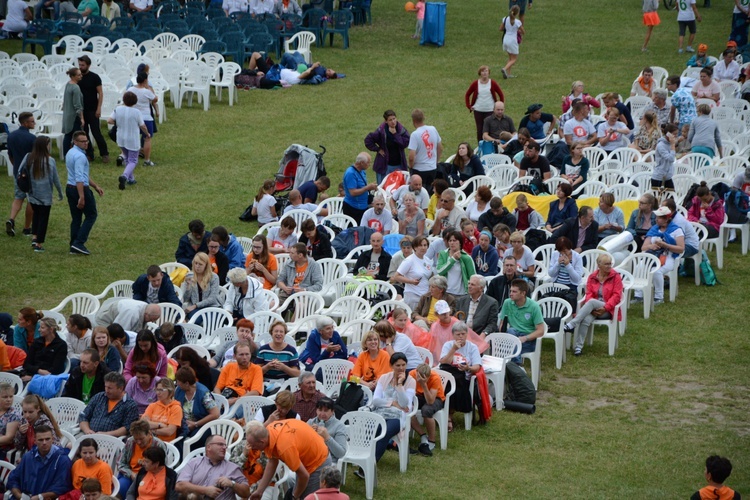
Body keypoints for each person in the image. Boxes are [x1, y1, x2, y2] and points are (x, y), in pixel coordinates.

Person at [245, 419, 330, 500]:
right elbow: (272, 462)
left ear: (262, 441)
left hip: (318, 461)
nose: (252, 448)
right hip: (306, 459)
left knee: (306, 497)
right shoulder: (269, 432)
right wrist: (259, 491)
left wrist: (294, 496)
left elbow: (304, 476)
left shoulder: (284, 448)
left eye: (253, 445)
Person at [564, 254, 623, 356]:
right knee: (586, 319)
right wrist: (591, 309)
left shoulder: (616, 277)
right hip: (592, 308)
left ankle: (572, 324)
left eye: (610, 264)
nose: (609, 266)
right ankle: (578, 348)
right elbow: (588, 294)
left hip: (608, 309)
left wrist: (605, 308)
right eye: (606, 264)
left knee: (591, 302)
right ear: (599, 265)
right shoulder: (592, 277)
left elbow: (617, 296)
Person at [633, 206, 685, 305]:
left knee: (656, 271)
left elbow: (681, 248)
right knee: (638, 267)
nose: (656, 219)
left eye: (659, 217)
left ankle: (659, 297)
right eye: (656, 217)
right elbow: (644, 247)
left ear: (666, 219)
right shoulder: (654, 229)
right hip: (653, 255)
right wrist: (651, 246)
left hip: (668, 257)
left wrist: (665, 245)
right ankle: (638, 295)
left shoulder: (676, 230)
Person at [370, 352, 416, 462]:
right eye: (398, 365)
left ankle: (371, 464)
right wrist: (393, 403)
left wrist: (399, 385)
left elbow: (405, 405)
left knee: (384, 432)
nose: (401, 368)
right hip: (381, 413)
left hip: (398, 416)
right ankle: (364, 458)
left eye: (403, 365)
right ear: (391, 366)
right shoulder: (384, 378)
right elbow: (375, 401)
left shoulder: (410, 381)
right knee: (373, 429)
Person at [7, 424, 72, 500]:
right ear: (34, 441)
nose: (44, 443)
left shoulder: (62, 460)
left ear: (53, 439)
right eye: (40, 440)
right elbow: (13, 479)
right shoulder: (28, 457)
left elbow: (62, 487)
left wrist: (40, 497)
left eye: (47, 439)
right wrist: (19, 496)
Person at [65, 131, 104, 256]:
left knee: (76, 217)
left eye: (86, 141)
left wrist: (95, 186)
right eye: (82, 141)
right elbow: (79, 178)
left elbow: (82, 175)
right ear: (75, 142)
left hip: (70, 188)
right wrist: (82, 196)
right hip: (79, 189)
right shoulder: (80, 157)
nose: (86, 143)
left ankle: (73, 244)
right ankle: (79, 243)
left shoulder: (70, 152)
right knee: (91, 215)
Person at [21, 136, 62, 252]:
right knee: (43, 218)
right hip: (46, 195)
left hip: (32, 193)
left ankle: (34, 237)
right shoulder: (50, 160)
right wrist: (60, 192)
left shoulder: (28, 157)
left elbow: (20, 171)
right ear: (45, 146)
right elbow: (56, 179)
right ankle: (38, 243)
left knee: (36, 215)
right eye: (48, 144)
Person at [176, 434, 250, 499]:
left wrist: (232, 484)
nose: (224, 447)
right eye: (220, 444)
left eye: (225, 445)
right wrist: (205, 490)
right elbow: (179, 486)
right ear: (209, 447)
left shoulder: (232, 468)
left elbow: (246, 493)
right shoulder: (194, 463)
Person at [438, 321, 481, 428]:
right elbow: (443, 362)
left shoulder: (472, 347)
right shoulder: (448, 345)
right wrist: (453, 349)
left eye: (463, 334)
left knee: (455, 388)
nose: (461, 336)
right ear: (453, 335)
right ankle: (447, 416)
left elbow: (477, 367)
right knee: (448, 385)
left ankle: (448, 417)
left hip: (464, 378)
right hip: (449, 377)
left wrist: (468, 368)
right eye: (458, 334)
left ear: (467, 334)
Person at [498, 279, 545, 363]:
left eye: (514, 292)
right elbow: (502, 323)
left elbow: (541, 331)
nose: (511, 294)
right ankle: (517, 366)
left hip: (528, 339)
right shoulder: (507, 303)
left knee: (510, 346)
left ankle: (515, 367)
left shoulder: (534, 306)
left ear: (523, 293)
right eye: (510, 291)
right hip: (512, 336)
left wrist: (525, 338)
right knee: (511, 332)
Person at [5, 112, 36, 238]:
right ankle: (27, 228)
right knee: (31, 200)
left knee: (18, 198)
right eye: (32, 121)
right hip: (30, 173)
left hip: (17, 171)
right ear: (25, 123)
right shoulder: (32, 138)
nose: (34, 123)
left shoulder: (11, 136)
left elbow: (10, 155)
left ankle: (11, 219)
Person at [110, 91, 148, 189]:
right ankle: (125, 176)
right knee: (133, 160)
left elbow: (109, 120)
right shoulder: (136, 112)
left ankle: (131, 179)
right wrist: (147, 134)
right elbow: (142, 125)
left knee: (127, 157)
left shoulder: (118, 109)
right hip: (132, 139)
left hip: (121, 138)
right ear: (135, 102)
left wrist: (118, 122)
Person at [117, 419, 167, 495]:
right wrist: (131, 474)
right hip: (130, 474)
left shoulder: (158, 444)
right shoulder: (130, 442)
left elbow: (163, 467)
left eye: (141, 439)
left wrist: (146, 476)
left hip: (150, 476)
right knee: (120, 487)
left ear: (149, 433)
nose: (138, 442)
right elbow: (121, 463)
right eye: (136, 439)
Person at [407, 363, 444, 457]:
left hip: (436, 398)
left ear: (429, 375)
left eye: (425, 378)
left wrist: (423, 384)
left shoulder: (435, 378)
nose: (422, 380)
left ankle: (431, 440)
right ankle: (423, 435)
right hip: (418, 396)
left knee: (426, 410)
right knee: (407, 409)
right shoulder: (412, 374)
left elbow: (430, 401)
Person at [76, 56, 108, 164]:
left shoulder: (95, 77)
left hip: (92, 110)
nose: (80, 67)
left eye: (83, 65)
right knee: (84, 133)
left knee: (96, 132)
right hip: (82, 110)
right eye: (79, 65)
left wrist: (98, 108)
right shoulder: (77, 78)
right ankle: (89, 153)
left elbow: (100, 93)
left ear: (88, 65)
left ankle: (104, 153)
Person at [364, 110, 410, 183]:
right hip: (385, 166)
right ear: (386, 121)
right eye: (390, 120)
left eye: (394, 118)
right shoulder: (381, 131)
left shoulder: (401, 130)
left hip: (399, 165)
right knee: (384, 188)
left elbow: (404, 144)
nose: (393, 121)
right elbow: (368, 140)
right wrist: (378, 149)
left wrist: (395, 134)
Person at [174, 366, 220, 439]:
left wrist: (196, 424)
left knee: (192, 439)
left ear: (186, 383)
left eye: (178, 381)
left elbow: (215, 414)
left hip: (202, 425)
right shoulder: (179, 390)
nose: (177, 383)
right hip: (183, 424)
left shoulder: (203, 393)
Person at [214, 340, 263, 406]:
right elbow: (217, 388)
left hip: (244, 401)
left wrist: (234, 401)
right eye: (241, 355)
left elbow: (255, 392)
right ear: (234, 356)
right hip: (226, 397)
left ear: (251, 355)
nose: (245, 357)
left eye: (247, 354)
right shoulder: (229, 366)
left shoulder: (256, 369)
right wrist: (221, 402)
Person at [276, 242, 324, 306]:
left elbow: (318, 285)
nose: (289, 255)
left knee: (300, 306)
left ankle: (295, 316)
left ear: (300, 255)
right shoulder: (288, 263)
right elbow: (280, 280)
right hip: (288, 292)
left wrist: (304, 290)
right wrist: (285, 288)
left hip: (304, 294)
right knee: (273, 304)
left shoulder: (314, 265)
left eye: (292, 253)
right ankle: (276, 316)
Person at [465, 66, 505, 143]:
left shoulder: (492, 83)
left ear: (489, 73)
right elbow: (467, 95)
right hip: (478, 110)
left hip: (490, 110)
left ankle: (491, 144)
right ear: (480, 73)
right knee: (479, 130)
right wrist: (469, 106)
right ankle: (480, 145)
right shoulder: (475, 83)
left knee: (490, 129)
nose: (484, 73)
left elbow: (501, 94)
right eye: (483, 71)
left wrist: (500, 105)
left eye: (486, 71)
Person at [394, 235, 434, 310]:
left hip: (425, 295)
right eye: (420, 245)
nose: (423, 248)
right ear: (415, 247)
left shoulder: (428, 260)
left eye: (425, 245)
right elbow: (396, 276)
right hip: (413, 295)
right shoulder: (409, 260)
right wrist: (411, 281)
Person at [255, 321, 300, 387]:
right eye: (276, 331)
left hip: (284, 384)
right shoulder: (263, 350)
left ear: (285, 334)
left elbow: (297, 373)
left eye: (281, 332)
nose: (278, 334)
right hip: (265, 383)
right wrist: (267, 367)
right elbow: (255, 372)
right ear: (271, 333)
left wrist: (284, 368)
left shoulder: (291, 351)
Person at [22, 317, 67, 381]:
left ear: (51, 329)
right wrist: (39, 371)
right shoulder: (37, 342)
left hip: (49, 378)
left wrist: (35, 378)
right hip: (31, 374)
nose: (39, 330)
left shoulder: (61, 345)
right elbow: (26, 364)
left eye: (42, 328)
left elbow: (57, 369)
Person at [408, 109, 443, 190]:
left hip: (419, 169)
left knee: (417, 194)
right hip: (432, 168)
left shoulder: (415, 134)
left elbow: (411, 157)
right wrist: (435, 161)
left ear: (413, 121)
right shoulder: (433, 129)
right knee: (430, 193)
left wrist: (411, 166)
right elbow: (440, 148)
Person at [128, 73, 157, 167]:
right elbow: (155, 99)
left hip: (133, 116)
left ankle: (129, 158)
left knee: (132, 138)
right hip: (146, 118)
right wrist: (149, 87)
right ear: (145, 80)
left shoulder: (131, 89)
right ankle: (147, 160)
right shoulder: (146, 91)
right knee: (147, 138)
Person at [436, 230, 476, 298]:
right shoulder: (443, 254)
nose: (452, 243)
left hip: (462, 294)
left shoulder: (466, 258)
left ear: (460, 242)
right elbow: (440, 271)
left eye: (454, 240)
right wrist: (453, 259)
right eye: (450, 241)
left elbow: (472, 276)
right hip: (446, 293)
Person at [142, 378, 182, 442]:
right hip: (148, 441)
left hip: (166, 444)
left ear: (170, 391)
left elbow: (169, 431)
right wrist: (159, 425)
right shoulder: (152, 406)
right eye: (156, 390)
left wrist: (151, 430)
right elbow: (143, 423)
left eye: (161, 390)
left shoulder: (176, 408)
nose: (158, 393)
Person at [183, 252, 221, 319]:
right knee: (196, 319)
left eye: (200, 264)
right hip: (195, 309)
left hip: (211, 307)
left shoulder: (214, 277)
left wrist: (195, 305)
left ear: (206, 266)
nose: (197, 266)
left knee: (211, 319)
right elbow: (186, 299)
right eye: (196, 263)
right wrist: (188, 287)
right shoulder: (189, 276)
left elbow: (212, 299)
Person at [342, 152, 378, 222]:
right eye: (368, 163)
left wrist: (370, 187)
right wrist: (367, 187)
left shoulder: (362, 171)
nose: (369, 165)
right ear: (361, 163)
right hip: (353, 207)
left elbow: (362, 186)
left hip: (362, 206)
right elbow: (353, 192)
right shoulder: (351, 174)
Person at [94, 300, 161, 333]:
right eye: (152, 319)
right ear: (146, 314)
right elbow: (119, 331)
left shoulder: (146, 307)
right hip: (104, 319)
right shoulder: (132, 314)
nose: (152, 321)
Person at [62, 68, 85, 156]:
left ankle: (66, 155)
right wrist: (82, 118)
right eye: (78, 75)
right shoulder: (75, 87)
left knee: (67, 135)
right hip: (74, 116)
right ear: (73, 76)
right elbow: (78, 105)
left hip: (67, 115)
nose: (81, 76)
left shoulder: (68, 84)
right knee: (78, 136)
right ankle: (78, 154)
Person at [652, 123, 678, 191]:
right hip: (659, 176)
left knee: (671, 199)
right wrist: (673, 145)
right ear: (668, 134)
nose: (675, 136)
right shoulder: (661, 145)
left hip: (668, 176)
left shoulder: (670, 144)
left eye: (676, 134)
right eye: (674, 134)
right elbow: (671, 158)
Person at [500, 6, 524, 79]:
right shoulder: (517, 22)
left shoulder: (505, 19)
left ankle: (509, 74)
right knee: (514, 59)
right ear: (517, 13)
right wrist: (517, 31)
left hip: (505, 39)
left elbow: (500, 29)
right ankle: (504, 69)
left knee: (510, 57)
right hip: (512, 40)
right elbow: (523, 31)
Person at [0, 383, 21, 460]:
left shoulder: (13, 414)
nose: (9, 399)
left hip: (3, 450)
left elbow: (8, 438)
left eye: (11, 396)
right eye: (5, 397)